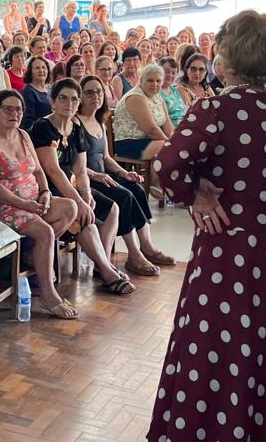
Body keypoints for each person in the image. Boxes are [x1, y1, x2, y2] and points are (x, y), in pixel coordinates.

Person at [147, 10, 266, 442]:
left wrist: (196, 193)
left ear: (228, 53)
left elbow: (168, 166)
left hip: (228, 256)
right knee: (264, 355)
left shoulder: (216, 109)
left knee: (220, 359)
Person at [0, 90, 79, 319]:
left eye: (18, 109)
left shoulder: (23, 135)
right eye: (8, 109)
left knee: (70, 207)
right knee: (45, 232)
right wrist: (25, 204)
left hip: (30, 202)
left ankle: (30, 254)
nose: (14, 113)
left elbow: (39, 171)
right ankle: (48, 294)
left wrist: (46, 192)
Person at [28, 79, 136, 296]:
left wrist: (86, 193)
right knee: (85, 219)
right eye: (63, 98)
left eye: (74, 99)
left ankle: (102, 263)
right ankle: (108, 272)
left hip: (72, 186)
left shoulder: (75, 128)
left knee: (111, 207)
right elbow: (53, 170)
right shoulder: (43, 127)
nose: (69, 103)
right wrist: (79, 201)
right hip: (48, 190)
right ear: (53, 102)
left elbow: (80, 169)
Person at [76, 75, 175, 273]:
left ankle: (147, 246)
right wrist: (95, 176)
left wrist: (124, 173)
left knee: (136, 189)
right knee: (124, 195)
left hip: (103, 175)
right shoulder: (76, 123)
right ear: (81, 97)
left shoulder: (99, 122)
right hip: (86, 178)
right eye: (89, 92)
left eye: (99, 92)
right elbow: (73, 165)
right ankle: (134, 253)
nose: (95, 96)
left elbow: (106, 158)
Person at [112, 64, 173, 160]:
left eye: (158, 81)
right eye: (150, 80)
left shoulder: (158, 98)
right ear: (141, 81)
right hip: (128, 143)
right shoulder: (135, 97)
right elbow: (152, 130)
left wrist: (177, 141)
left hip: (151, 141)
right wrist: (172, 144)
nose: (155, 84)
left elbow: (168, 127)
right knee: (165, 147)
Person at [19, 55, 53, 125]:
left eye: (43, 67)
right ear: (30, 72)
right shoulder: (28, 92)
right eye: (37, 68)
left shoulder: (50, 89)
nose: (41, 70)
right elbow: (27, 122)